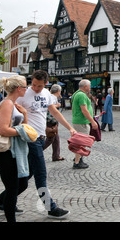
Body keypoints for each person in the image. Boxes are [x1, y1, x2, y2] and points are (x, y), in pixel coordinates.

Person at [16, 70, 74, 219]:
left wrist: (70, 128)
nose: (35, 88)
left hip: (41, 138)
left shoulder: (46, 94)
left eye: (39, 86)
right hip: (31, 139)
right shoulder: (23, 94)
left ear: (46, 84)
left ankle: (4, 202)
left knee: (26, 175)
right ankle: (51, 208)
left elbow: (55, 112)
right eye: (33, 84)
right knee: (41, 174)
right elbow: (13, 114)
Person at [0, 75, 29, 222]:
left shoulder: (14, 104)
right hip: (4, 152)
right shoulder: (7, 104)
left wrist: (24, 114)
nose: (26, 89)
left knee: (22, 183)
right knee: (12, 188)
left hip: (13, 151)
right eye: (25, 87)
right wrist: (22, 132)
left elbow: (25, 127)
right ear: (18, 88)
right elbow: (3, 130)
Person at [71, 79, 98, 169]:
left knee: (80, 142)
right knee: (81, 143)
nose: (90, 87)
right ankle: (77, 162)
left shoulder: (76, 93)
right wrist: (92, 121)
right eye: (89, 86)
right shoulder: (81, 95)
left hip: (79, 121)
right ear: (85, 86)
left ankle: (78, 158)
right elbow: (84, 110)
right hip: (81, 122)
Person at [43, 84, 65, 162]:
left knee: (56, 138)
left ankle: (56, 155)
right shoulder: (52, 97)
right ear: (58, 91)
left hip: (51, 120)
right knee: (51, 138)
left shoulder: (51, 96)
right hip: (51, 120)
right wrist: (57, 105)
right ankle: (38, 151)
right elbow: (49, 107)